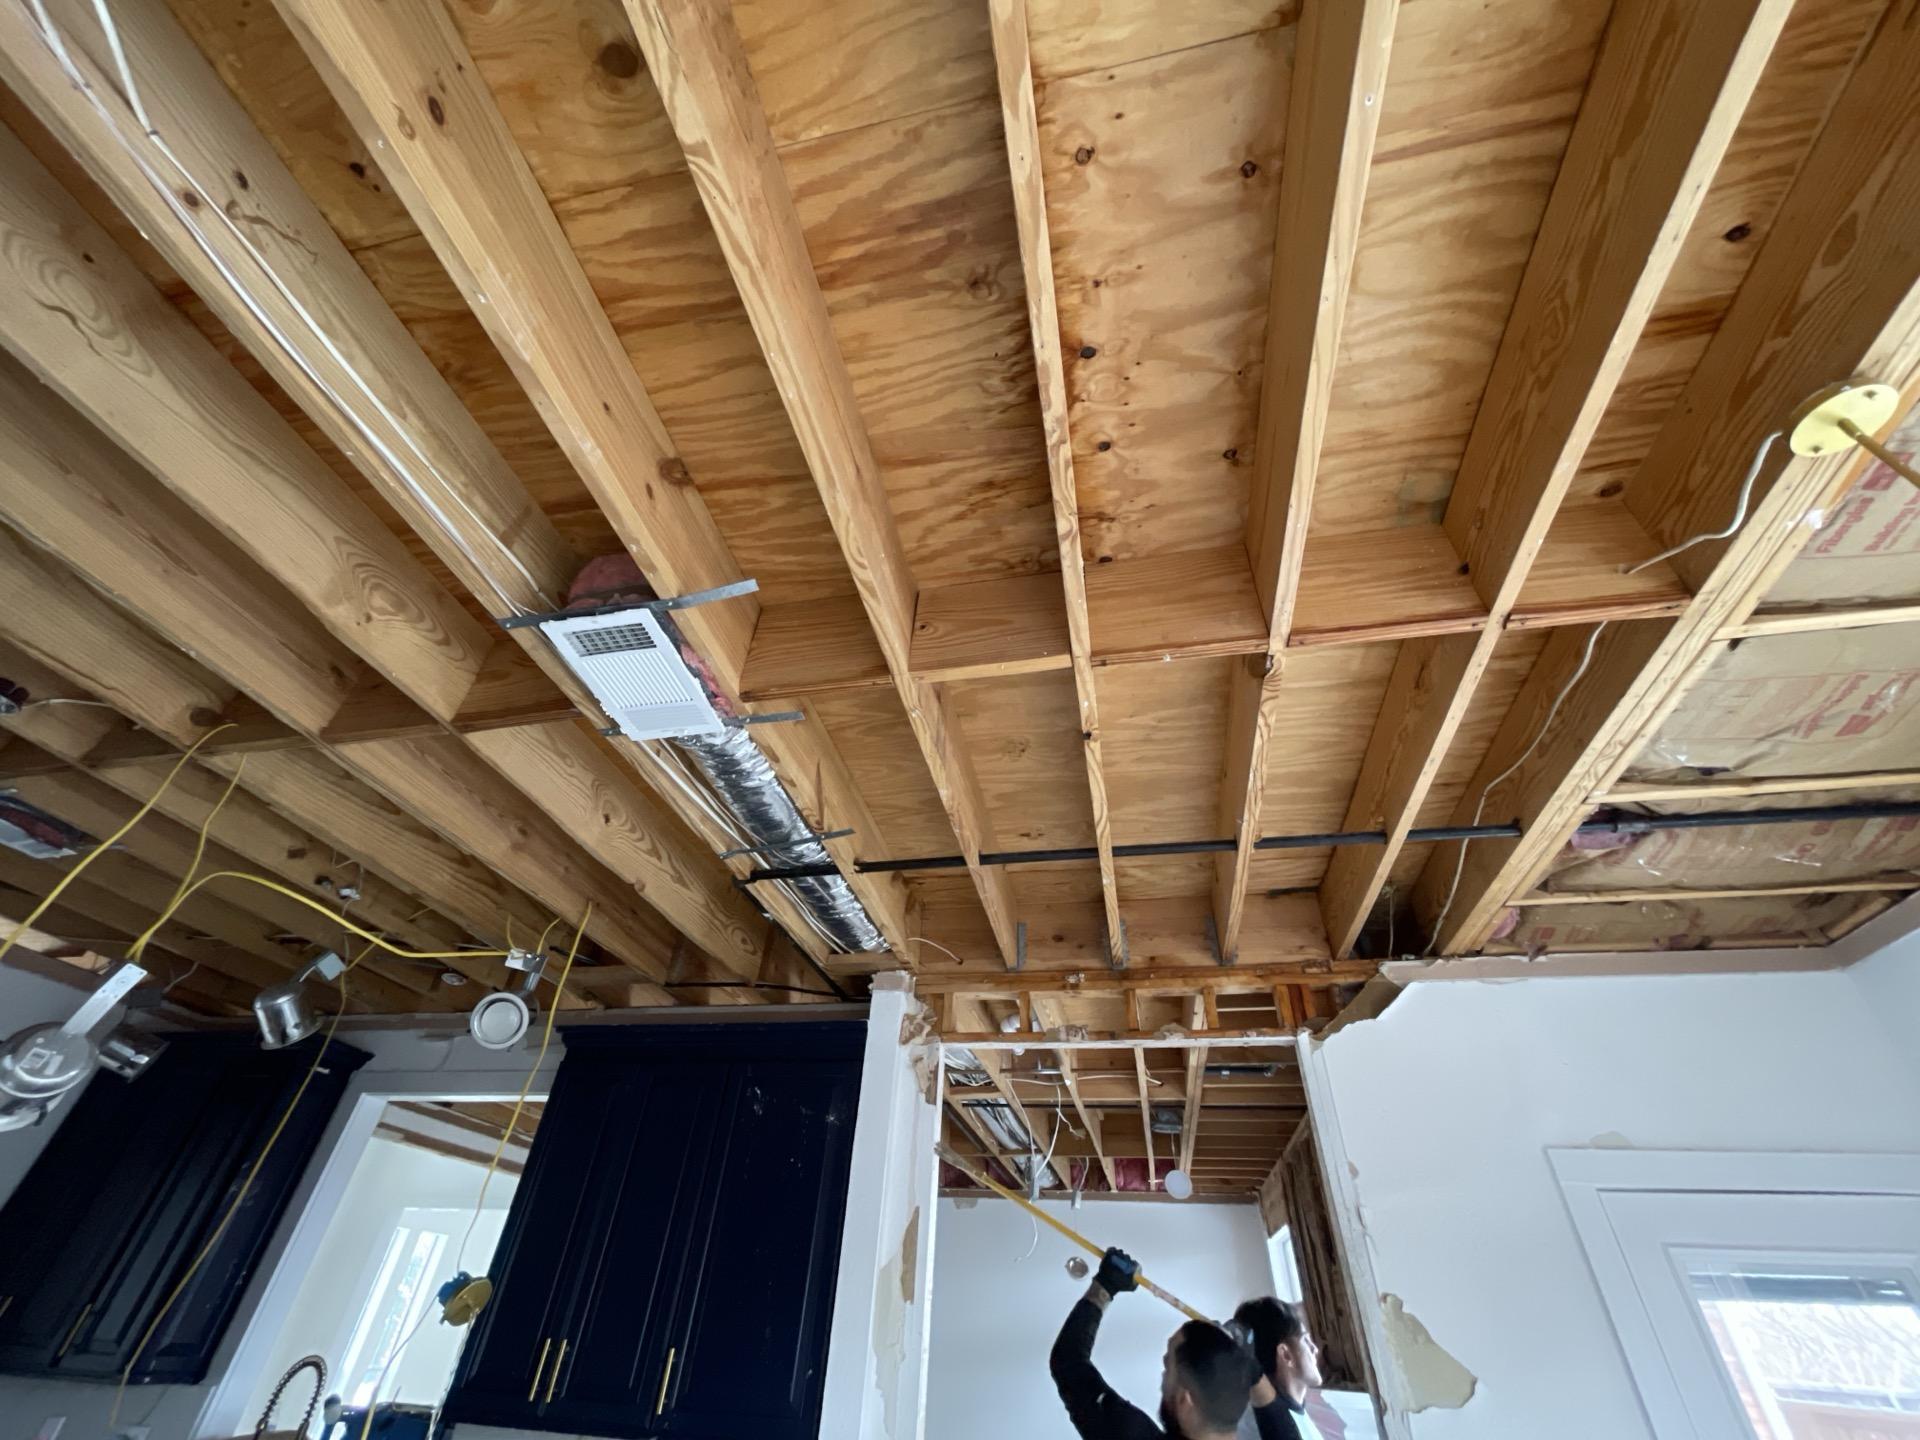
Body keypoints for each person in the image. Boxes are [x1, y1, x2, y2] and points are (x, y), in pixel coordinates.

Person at [1050, 1247, 1302, 1440]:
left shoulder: (1131, 1433)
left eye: (1168, 1365)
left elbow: (1068, 1362)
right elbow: (1280, 1426)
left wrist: (1105, 1286)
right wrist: (1246, 1365)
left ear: (1185, 1400)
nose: (1163, 1368)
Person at [1231, 1297, 1325, 1440]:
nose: (1315, 1349)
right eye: (1305, 1340)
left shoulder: (1290, 1411)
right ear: (1286, 1355)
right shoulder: (1261, 1429)